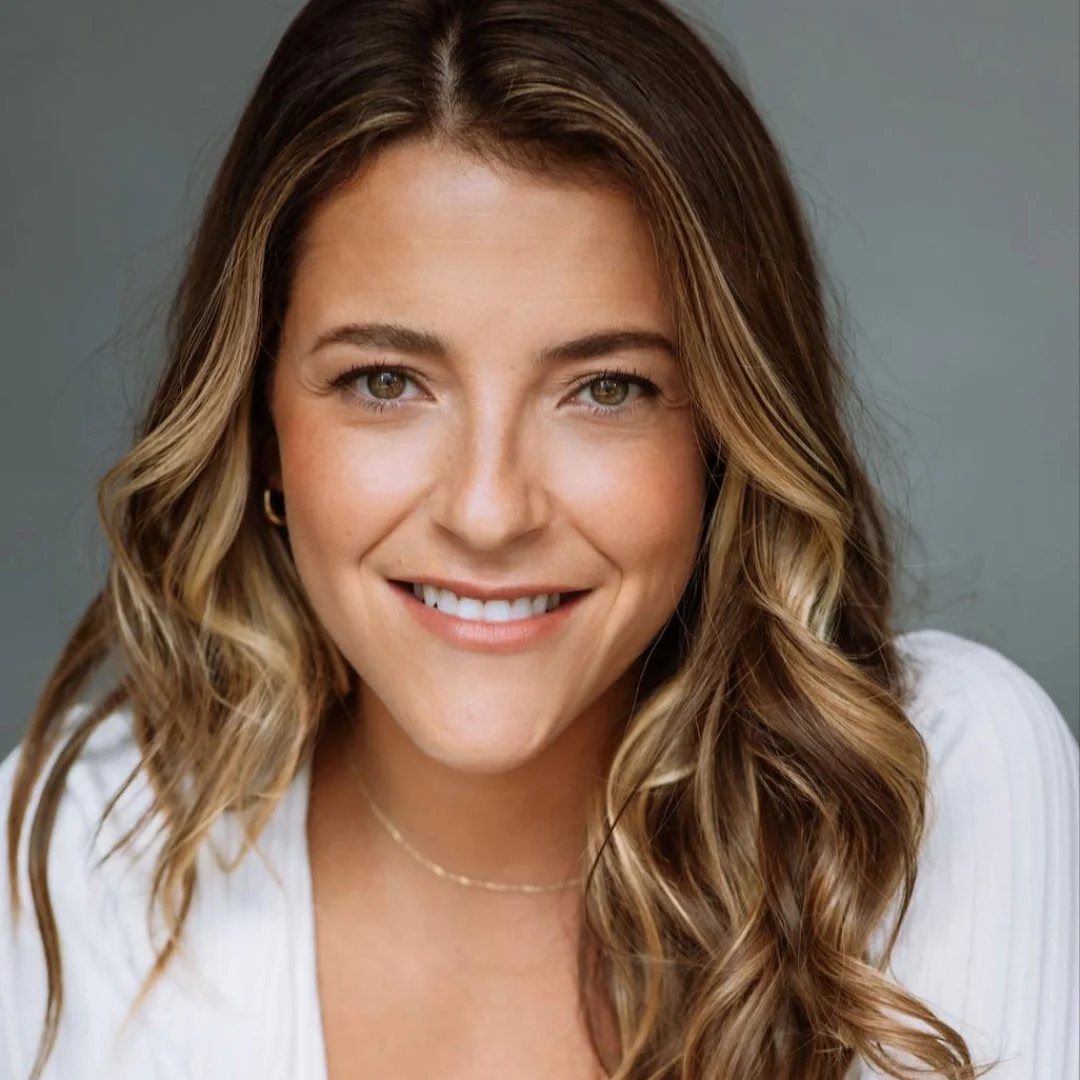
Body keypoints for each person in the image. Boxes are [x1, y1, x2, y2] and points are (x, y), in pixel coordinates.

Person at [1, 1, 1077, 1078]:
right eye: (387, 382)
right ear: (258, 422)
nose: (488, 511)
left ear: (725, 439)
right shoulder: (67, 869)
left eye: (606, 389)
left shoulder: (940, 799)